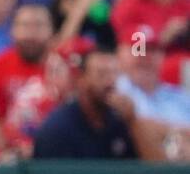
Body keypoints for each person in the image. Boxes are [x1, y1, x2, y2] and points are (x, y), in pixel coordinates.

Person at [33, 50, 161, 159]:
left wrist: (133, 122)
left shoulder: (120, 120)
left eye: (114, 73)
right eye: (102, 74)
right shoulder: (58, 128)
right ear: (81, 79)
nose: (110, 81)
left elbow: (153, 168)